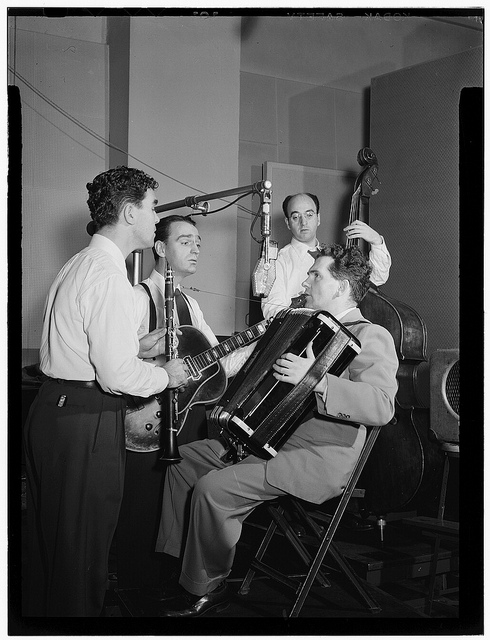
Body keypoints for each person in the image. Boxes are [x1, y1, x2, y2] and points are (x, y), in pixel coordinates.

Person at [149, 243, 399, 617]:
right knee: (181, 462)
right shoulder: (307, 325)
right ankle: (180, 569)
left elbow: (382, 406)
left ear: (343, 287)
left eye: (316, 275)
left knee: (212, 490)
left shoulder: (372, 335)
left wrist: (316, 380)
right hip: (265, 444)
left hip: (314, 458)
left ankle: (205, 587)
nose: (306, 279)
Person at [22, 166, 188, 617]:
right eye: (153, 207)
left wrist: (135, 347)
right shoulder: (110, 275)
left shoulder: (82, 262)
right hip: (84, 422)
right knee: (82, 557)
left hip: (53, 410)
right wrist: (166, 374)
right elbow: (116, 377)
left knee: (50, 551)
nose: (157, 217)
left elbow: (79, 349)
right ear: (131, 212)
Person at [116, 214, 253, 591]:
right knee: (142, 509)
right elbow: (117, 365)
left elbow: (221, 362)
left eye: (198, 242)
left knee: (179, 507)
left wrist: (259, 342)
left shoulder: (192, 306)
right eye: (185, 241)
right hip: (146, 422)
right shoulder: (135, 297)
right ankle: (135, 591)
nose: (196, 248)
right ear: (160, 248)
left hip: (188, 421)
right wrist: (153, 354)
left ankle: (171, 585)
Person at [261, 192, 392, 320]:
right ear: (288, 222)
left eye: (309, 215)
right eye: (296, 217)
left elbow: (377, 278)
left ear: (318, 218)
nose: (303, 222)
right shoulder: (276, 262)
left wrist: (376, 241)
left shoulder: (335, 257)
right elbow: (273, 311)